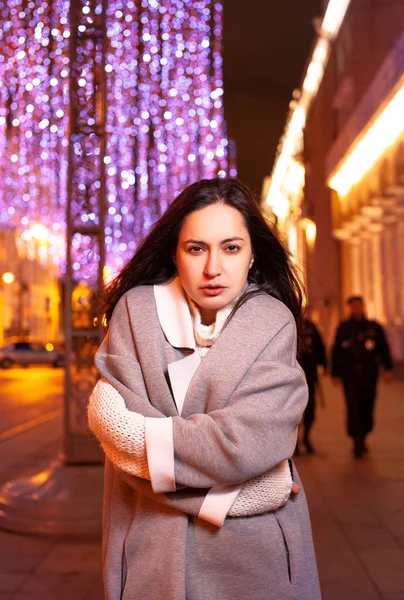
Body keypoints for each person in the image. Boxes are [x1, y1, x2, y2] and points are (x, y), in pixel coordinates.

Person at [88, 178, 321, 599]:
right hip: (151, 551)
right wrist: (249, 489)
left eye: (231, 248)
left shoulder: (273, 321)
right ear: (175, 253)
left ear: (252, 256)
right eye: (196, 248)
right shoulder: (136, 312)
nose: (213, 267)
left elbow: (244, 442)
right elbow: (123, 452)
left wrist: (148, 443)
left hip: (254, 554)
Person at [331, 295, 393, 458]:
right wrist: (335, 373)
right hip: (350, 375)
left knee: (367, 406)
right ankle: (357, 441)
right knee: (353, 408)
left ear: (363, 307)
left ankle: (364, 436)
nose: (356, 309)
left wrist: (388, 369)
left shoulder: (373, 327)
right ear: (350, 308)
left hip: (369, 374)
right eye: (353, 306)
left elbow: (384, 349)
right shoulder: (344, 328)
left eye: (358, 305)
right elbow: (336, 352)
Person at [297, 315, 327, 454]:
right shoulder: (286, 322)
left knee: (310, 408)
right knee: (294, 410)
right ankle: (294, 441)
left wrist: (324, 365)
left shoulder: (310, 327)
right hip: (292, 376)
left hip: (309, 374)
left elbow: (320, 347)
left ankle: (307, 438)